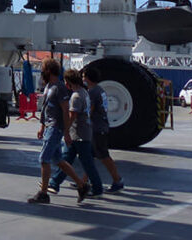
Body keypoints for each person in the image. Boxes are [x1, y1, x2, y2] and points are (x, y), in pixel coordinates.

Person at [28, 59, 91, 205]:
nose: (41, 72)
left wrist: (66, 131)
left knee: (44, 159)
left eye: (43, 69)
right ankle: (82, 186)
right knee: (59, 161)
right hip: (50, 126)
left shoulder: (59, 87)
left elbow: (65, 110)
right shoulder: (49, 86)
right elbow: (46, 108)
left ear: (49, 71)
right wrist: (42, 126)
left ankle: (43, 193)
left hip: (55, 128)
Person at [82, 65, 124, 192]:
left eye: (84, 76)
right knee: (89, 156)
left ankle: (117, 180)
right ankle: (84, 180)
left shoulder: (92, 92)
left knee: (103, 156)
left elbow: (89, 111)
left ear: (88, 78)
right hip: (100, 126)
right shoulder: (100, 90)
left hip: (97, 128)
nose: (82, 78)